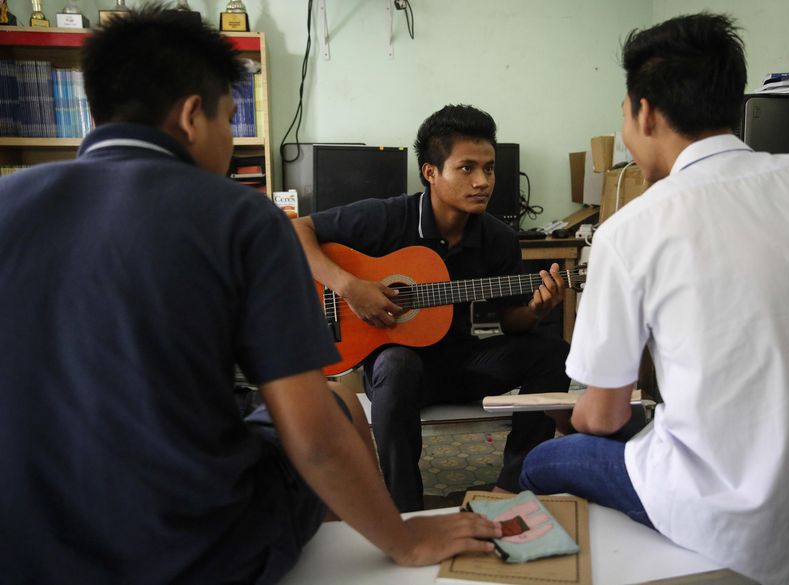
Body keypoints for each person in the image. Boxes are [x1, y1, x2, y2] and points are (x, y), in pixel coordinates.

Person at [0, 7, 501, 584]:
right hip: (191, 555)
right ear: (192, 116)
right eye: (229, 121)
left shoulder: (12, 201)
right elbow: (311, 438)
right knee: (338, 402)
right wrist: (405, 538)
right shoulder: (241, 216)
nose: (231, 142)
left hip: (27, 550)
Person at [520, 12, 789, 585]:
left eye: (624, 116)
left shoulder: (632, 229)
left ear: (645, 112)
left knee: (542, 461)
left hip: (745, 521)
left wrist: (574, 414)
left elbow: (604, 414)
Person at [293, 104, 571, 512]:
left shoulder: (499, 239)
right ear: (430, 172)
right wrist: (350, 286)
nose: (483, 181)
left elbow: (512, 321)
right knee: (397, 364)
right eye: (467, 168)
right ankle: (404, 507)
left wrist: (538, 310)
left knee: (554, 353)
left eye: (490, 169)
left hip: (461, 361)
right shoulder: (387, 217)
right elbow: (294, 229)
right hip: (398, 371)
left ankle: (514, 482)